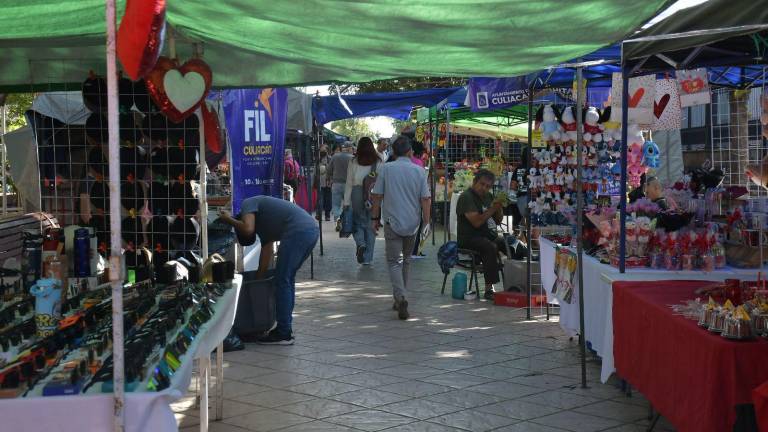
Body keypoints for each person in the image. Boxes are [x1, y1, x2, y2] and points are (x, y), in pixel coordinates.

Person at [219, 196, 319, 344]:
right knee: (286, 278)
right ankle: (285, 329)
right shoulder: (264, 225)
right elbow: (266, 255)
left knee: (283, 280)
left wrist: (228, 219)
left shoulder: (248, 203)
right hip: (310, 230)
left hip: (298, 231)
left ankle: (283, 333)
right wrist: (256, 283)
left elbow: (247, 228)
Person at [370, 136, 431, 320]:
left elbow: (377, 196)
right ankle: (399, 297)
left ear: (394, 152)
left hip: (392, 222)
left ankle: (401, 296)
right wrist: (426, 223)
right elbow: (425, 199)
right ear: (410, 152)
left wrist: (374, 219)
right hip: (413, 223)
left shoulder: (386, 169)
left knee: (393, 261)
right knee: (406, 261)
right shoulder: (419, 171)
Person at [456, 169, 507, 300]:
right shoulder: (466, 197)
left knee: (509, 243)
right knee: (489, 247)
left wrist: (499, 207)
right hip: (469, 238)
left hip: (487, 235)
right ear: (474, 182)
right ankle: (489, 288)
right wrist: (493, 209)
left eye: (488, 186)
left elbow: (497, 220)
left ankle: (517, 281)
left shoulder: (488, 197)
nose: (484, 188)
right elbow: (477, 222)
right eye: (482, 184)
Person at [343, 137, 382, 265]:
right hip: (374, 195)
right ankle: (368, 258)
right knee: (371, 225)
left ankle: (360, 243)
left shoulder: (353, 161)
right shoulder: (379, 160)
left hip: (357, 193)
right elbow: (382, 180)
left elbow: (349, 183)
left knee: (357, 223)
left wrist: (346, 203)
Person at [327, 143, 354, 230]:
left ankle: (338, 219)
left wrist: (328, 178)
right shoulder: (352, 158)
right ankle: (346, 223)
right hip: (348, 184)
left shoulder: (335, 156)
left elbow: (329, 169)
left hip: (336, 184)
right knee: (348, 204)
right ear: (349, 148)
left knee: (336, 204)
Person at [317, 145, 332, 221]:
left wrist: (326, 167)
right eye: (321, 150)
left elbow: (332, 169)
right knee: (320, 199)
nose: (322, 151)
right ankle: (319, 214)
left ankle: (327, 215)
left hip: (328, 181)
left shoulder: (330, 159)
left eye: (324, 150)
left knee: (328, 199)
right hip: (320, 181)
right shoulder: (318, 159)